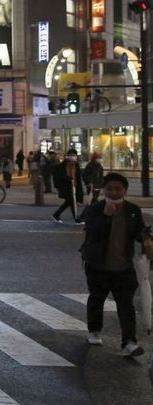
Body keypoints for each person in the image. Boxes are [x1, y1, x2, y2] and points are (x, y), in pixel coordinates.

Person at [80, 171, 152, 356]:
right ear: (104, 190)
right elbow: (92, 233)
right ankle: (94, 330)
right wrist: (106, 216)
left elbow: (139, 233)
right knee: (97, 299)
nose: (113, 193)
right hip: (98, 266)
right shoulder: (95, 209)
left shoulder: (133, 210)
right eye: (109, 189)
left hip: (123, 267)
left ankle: (129, 342)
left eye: (118, 189)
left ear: (125, 191)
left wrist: (146, 240)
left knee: (126, 304)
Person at [52, 151, 84, 224]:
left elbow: (78, 177)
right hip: (67, 187)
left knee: (69, 202)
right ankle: (76, 218)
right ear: (67, 156)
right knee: (72, 202)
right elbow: (59, 177)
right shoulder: (62, 166)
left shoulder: (76, 165)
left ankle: (56, 214)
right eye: (71, 155)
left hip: (75, 186)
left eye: (74, 155)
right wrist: (66, 180)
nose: (73, 156)